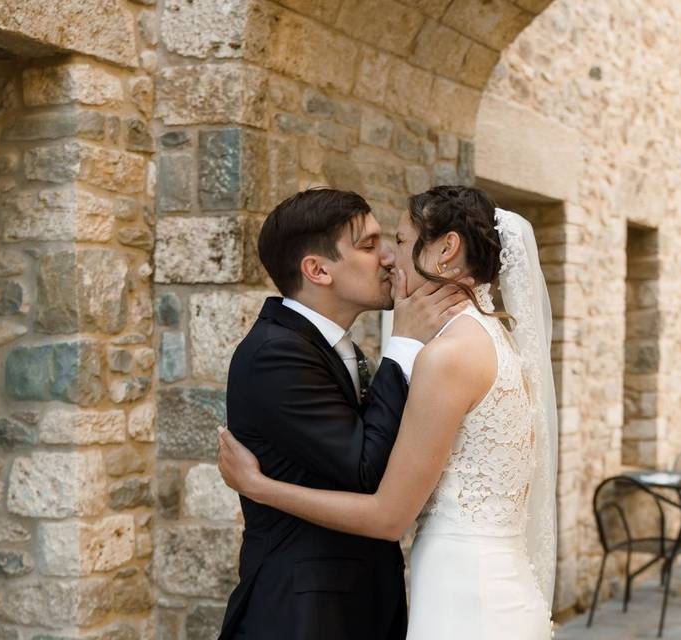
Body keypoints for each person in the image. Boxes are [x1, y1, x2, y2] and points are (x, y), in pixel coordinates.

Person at [218, 185, 558, 639]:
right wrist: (403, 346)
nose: (388, 258)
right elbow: (366, 468)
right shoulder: (275, 354)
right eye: (370, 244)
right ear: (317, 270)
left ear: (446, 250)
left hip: (458, 594)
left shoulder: (446, 352)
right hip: (307, 611)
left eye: (394, 240)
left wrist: (260, 487)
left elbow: (386, 508)